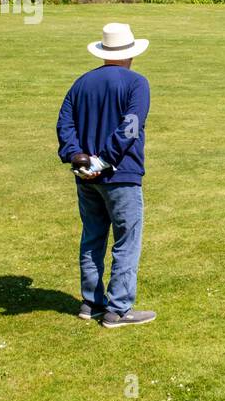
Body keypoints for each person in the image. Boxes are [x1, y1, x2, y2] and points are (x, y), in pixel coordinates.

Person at [56, 23, 156, 328]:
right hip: (121, 175)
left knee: (93, 236)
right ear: (131, 53)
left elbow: (64, 124)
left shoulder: (81, 83)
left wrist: (76, 156)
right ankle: (119, 309)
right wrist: (104, 161)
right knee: (126, 240)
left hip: (86, 177)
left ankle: (91, 302)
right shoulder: (137, 83)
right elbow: (130, 127)